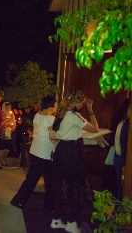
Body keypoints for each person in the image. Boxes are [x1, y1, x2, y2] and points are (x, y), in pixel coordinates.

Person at [49, 90, 99, 233]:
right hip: (72, 152)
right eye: (83, 102)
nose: (83, 104)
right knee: (77, 186)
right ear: (78, 102)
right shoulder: (74, 116)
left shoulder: (60, 114)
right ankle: (72, 222)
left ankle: (56, 219)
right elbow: (94, 128)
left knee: (60, 184)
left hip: (60, 151)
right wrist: (90, 110)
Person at [10, 96, 58, 211]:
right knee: (50, 181)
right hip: (45, 152)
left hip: (36, 150)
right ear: (50, 105)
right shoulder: (51, 119)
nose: (56, 107)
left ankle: (18, 200)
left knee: (32, 178)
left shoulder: (38, 116)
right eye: (56, 104)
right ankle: (49, 206)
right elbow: (53, 136)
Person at [112, 98, 131, 200]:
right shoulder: (127, 125)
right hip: (123, 160)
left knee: (121, 187)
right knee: (124, 188)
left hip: (118, 158)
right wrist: (125, 164)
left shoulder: (122, 123)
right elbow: (124, 146)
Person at [0, 102, 16, 168]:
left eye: (9, 108)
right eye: (6, 108)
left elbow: (14, 123)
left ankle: (3, 159)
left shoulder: (12, 114)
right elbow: (1, 124)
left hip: (9, 134)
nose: (8, 109)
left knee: (7, 149)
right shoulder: (1, 114)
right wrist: (7, 124)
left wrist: (13, 127)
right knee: (2, 149)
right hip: (2, 133)